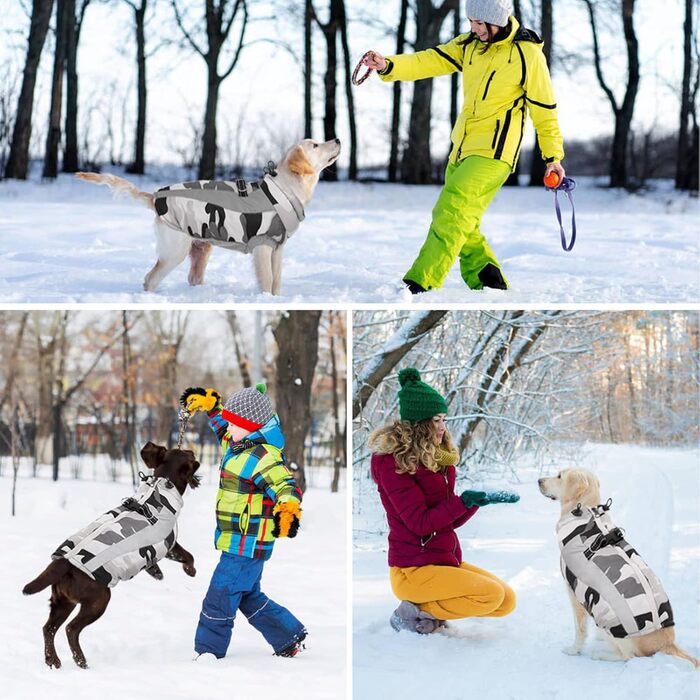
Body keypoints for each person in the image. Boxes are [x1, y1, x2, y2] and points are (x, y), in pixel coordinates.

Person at [361, 0, 565, 293]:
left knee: (451, 210)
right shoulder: (469, 45)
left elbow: (544, 109)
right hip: (462, 148)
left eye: (480, 23)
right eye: (470, 21)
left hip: (495, 153)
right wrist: (388, 65)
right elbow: (429, 60)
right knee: (463, 217)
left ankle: (421, 281)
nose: (474, 28)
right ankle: (485, 274)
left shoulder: (527, 55)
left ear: (498, 19)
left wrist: (553, 157)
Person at [369, 367, 519, 633]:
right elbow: (420, 523)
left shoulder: (439, 461)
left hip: (442, 561)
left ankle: (426, 612)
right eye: (436, 420)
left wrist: (474, 503)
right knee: (490, 595)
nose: (442, 427)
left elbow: (446, 521)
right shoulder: (394, 464)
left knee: (506, 601)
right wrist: (461, 502)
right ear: (419, 425)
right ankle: (410, 613)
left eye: (444, 420)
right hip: (412, 570)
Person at [181, 383, 307, 659]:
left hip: (247, 542)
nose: (228, 429)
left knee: (220, 596)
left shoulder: (264, 456)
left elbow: (285, 485)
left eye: (233, 424)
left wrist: (288, 508)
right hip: (238, 539)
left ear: (250, 426)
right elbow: (223, 429)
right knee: (248, 596)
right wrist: (212, 407)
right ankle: (288, 636)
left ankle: (208, 652)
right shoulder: (239, 443)